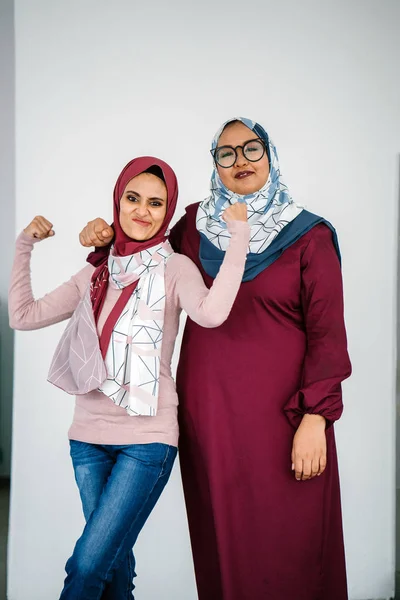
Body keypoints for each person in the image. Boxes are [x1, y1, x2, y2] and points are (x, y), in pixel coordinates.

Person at [79, 119, 352, 600]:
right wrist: (104, 238)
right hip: (210, 422)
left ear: (269, 155)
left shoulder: (309, 236)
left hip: (285, 422)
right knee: (222, 548)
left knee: (293, 545)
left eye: (251, 148)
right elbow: (141, 254)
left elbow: (328, 337)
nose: (240, 160)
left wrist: (316, 418)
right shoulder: (193, 228)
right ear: (215, 165)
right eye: (226, 154)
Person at [8, 156, 250, 600]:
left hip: (147, 440)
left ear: (167, 211)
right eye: (132, 198)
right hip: (86, 439)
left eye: (156, 203)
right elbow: (24, 316)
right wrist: (25, 244)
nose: (142, 210)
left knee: (85, 568)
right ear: (117, 202)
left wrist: (240, 238)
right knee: (113, 568)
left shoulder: (175, 269)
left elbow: (212, 314)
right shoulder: (97, 270)